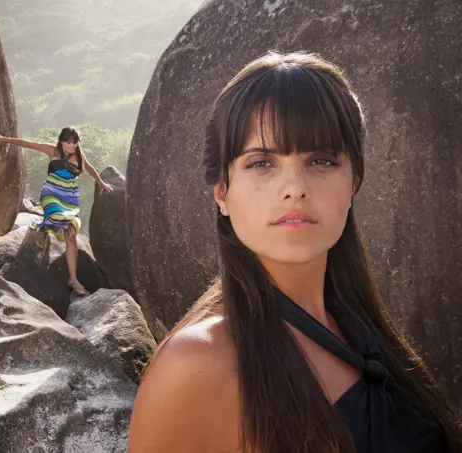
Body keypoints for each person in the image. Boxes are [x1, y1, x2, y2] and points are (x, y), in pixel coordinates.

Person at [127, 52, 462, 452]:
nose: (295, 187)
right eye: (261, 163)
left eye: (320, 160)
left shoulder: (359, 326)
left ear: (353, 180)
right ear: (222, 192)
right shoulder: (196, 365)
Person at [0, 127, 113, 296]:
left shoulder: (79, 156)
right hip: (52, 193)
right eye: (68, 142)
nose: (71, 146)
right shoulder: (52, 150)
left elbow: (89, 168)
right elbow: (26, 143)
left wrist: (101, 183)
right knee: (55, 217)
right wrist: (3, 139)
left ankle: (73, 279)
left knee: (70, 233)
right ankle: (48, 224)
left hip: (69, 197)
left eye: (74, 143)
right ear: (61, 141)